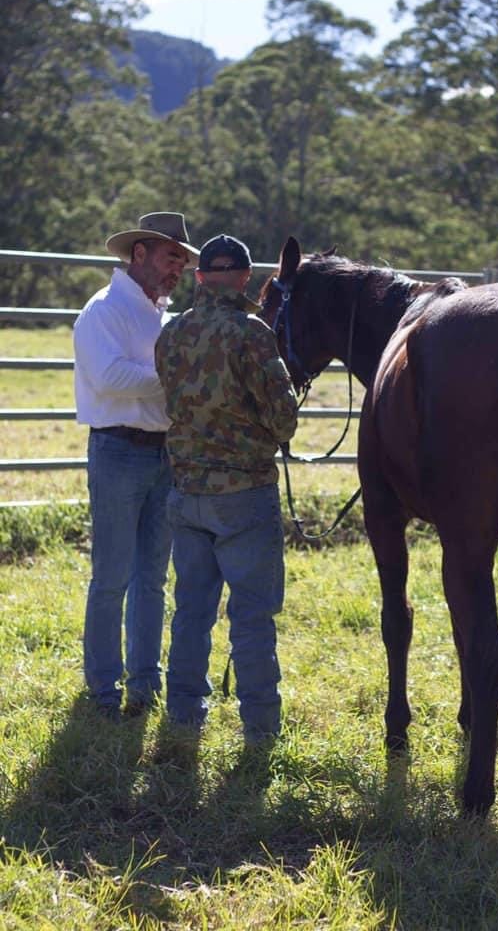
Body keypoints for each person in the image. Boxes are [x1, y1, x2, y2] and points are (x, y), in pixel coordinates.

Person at [155, 233, 298, 744]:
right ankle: (260, 730)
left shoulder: (171, 334)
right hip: (244, 494)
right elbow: (285, 421)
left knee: (191, 610)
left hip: (186, 490)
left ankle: (183, 718)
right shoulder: (253, 333)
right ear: (244, 278)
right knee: (252, 616)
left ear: (198, 278)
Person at [73, 212, 198, 720]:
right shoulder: (103, 311)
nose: (179, 271)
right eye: (173, 259)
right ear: (140, 253)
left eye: (184, 263)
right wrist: (174, 376)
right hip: (120, 452)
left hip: (160, 453)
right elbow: (109, 378)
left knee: (150, 577)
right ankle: (105, 688)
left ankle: (144, 682)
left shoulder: (163, 317)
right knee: (113, 577)